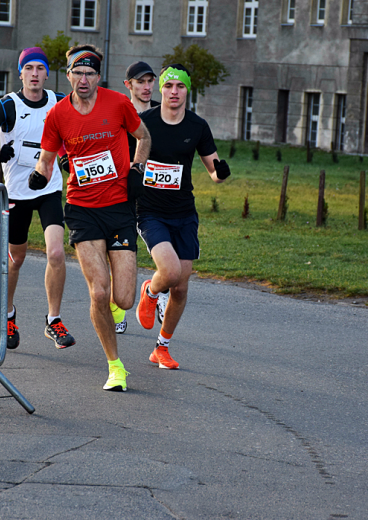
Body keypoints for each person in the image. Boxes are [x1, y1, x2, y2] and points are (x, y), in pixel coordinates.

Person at [29, 44, 151, 392]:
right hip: (81, 209)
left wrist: (137, 168)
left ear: (98, 77)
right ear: (67, 75)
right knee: (99, 292)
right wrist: (39, 175)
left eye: (90, 73)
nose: (83, 79)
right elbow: (47, 160)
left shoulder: (118, 104)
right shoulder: (57, 116)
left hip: (119, 206)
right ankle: (115, 367)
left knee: (123, 298)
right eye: (77, 73)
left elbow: (144, 136)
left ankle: (129, 300)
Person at [0, 47, 75, 351]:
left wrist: (65, 159)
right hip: (17, 194)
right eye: (30, 69)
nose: (35, 74)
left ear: (47, 74)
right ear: (21, 73)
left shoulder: (58, 102)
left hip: (49, 190)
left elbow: (65, 140)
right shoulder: (6, 106)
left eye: (40, 68)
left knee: (56, 254)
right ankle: (9, 314)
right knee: (17, 260)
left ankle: (54, 321)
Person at [134, 64, 231, 370]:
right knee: (171, 271)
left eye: (180, 87)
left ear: (188, 91)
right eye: (168, 86)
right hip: (150, 211)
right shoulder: (142, 122)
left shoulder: (197, 126)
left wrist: (220, 172)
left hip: (183, 213)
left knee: (181, 287)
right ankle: (150, 292)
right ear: (160, 90)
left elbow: (213, 170)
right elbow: (125, 161)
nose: (174, 92)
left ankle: (161, 348)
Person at [110, 60, 161, 335]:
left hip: (154, 191)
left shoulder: (161, 113)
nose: (146, 86)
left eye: (150, 81)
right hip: (124, 190)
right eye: (140, 81)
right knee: (121, 250)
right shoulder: (120, 111)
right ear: (128, 85)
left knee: (163, 247)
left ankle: (157, 291)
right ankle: (117, 306)